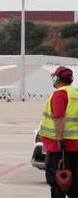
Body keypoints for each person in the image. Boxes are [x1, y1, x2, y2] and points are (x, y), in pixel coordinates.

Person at [41, 66, 78, 198]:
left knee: (57, 181)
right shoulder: (75, 95)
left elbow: (59, 118)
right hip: (75, 145)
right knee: (74, 182)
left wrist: (60, 140)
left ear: (56, 79)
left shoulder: (59, 95)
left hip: (58, 147)